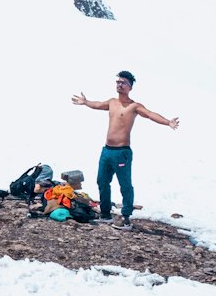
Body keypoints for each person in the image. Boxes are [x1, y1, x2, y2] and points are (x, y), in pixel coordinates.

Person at [72, 70, 179, 227]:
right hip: (107, 150)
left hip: (122, 152)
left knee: (125, 185)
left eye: (123, 83)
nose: (119, 85)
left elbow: (150, 114)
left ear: (130, 87)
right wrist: (86, 102)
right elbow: (97, 104)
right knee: (102, 181)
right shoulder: (112, 102)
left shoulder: (134, 106)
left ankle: (126, 217)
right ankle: (106, 213)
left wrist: (167, 122)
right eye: (118, 82)